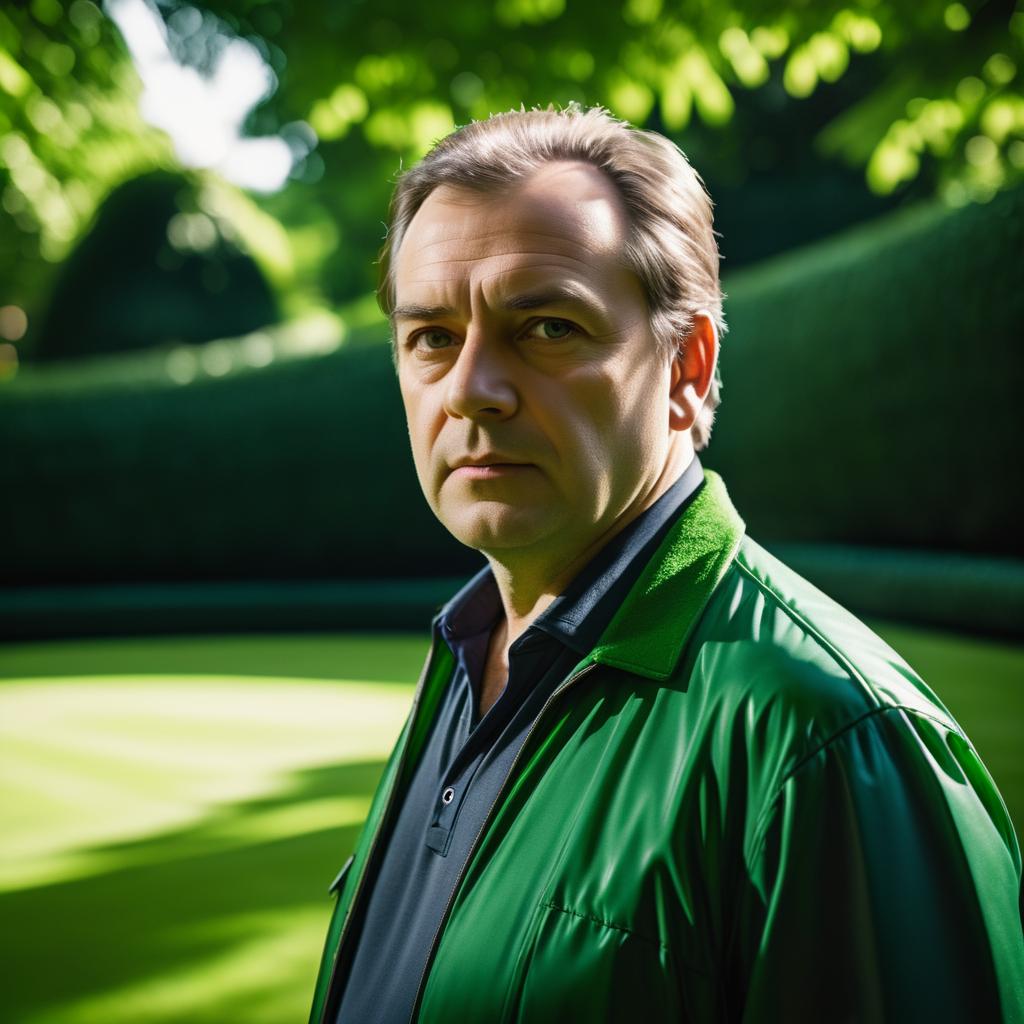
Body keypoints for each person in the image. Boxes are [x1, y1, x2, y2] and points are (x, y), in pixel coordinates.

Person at [309, 104, 1024, 1023]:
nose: (472, 390)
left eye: (549, 328)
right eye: (433, 337)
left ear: (687, 366)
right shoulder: (469, 653)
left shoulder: (830, 742)